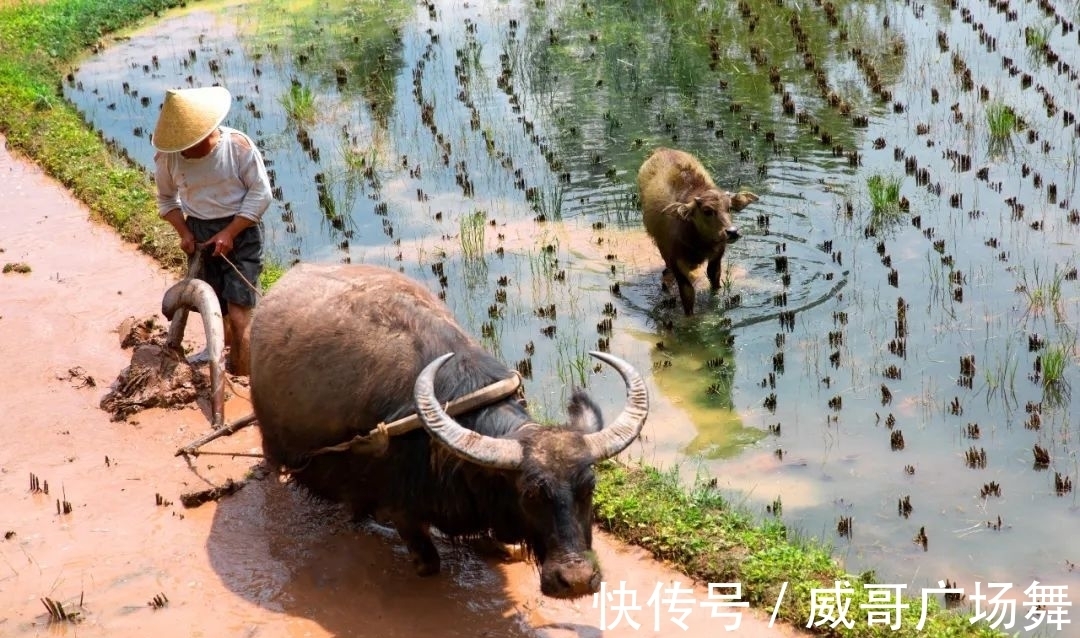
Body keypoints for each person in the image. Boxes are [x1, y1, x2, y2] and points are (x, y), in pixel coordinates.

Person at [151, 86, 272, 377]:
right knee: (215, 306)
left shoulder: (237, 147)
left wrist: (230, 232)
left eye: (188, 144)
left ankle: (244, 375)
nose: (184, 151)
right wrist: (184, 232)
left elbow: (261, 194)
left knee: (240, 308)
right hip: (200, 233)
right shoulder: (168, 158)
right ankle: (220, 353)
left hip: (242, 229)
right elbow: (167, 199)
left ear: (206, 133)